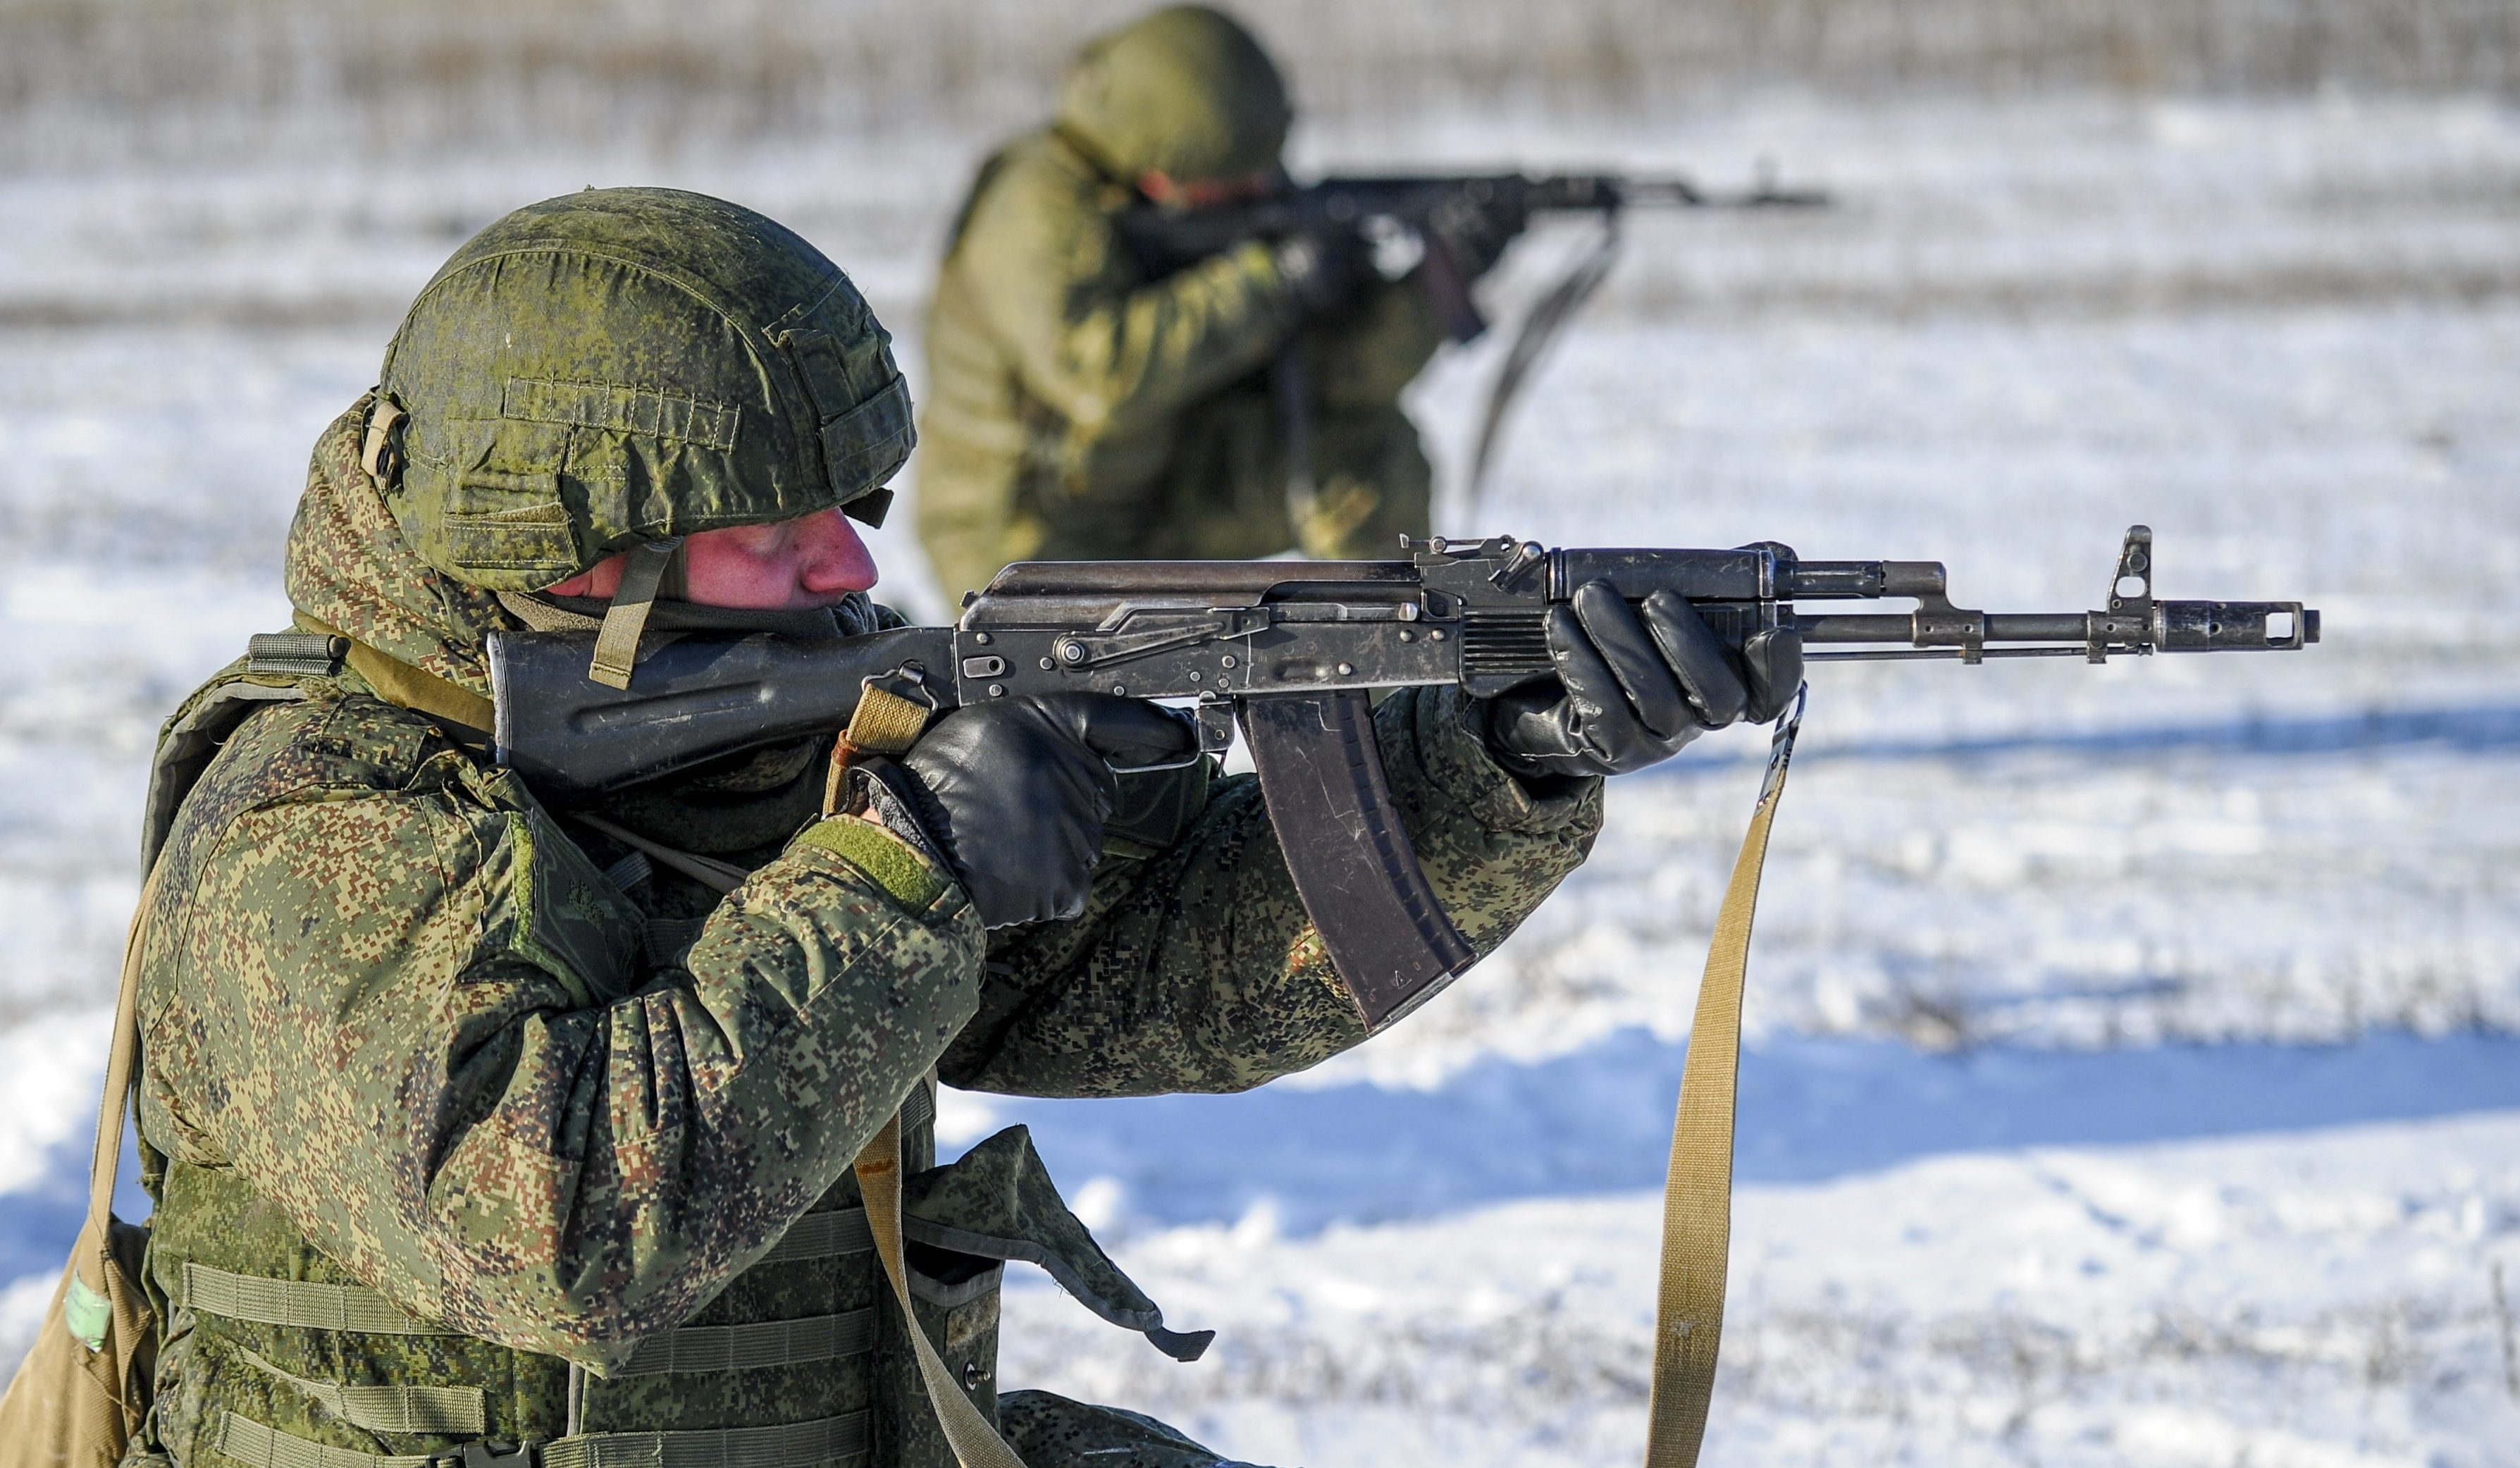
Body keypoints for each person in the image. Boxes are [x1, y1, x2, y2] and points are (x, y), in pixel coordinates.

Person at [123, 187, 1793, 1468]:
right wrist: (909, 868)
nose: (852, 572)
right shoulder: (309, 830)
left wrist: (1502, 754)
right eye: (775, 534)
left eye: (847, 513)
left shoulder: (749, 724)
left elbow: (1147, 974)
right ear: (579, 560)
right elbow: (557, 1232)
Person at [915, 4, 1523, 605]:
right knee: (1074, 706)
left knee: (1369, 454)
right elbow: (1099, 377)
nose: (1259, 191)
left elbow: (1340, 379)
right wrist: (1266, 281)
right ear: (1162, 169)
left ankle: (1396, 687)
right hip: (1030, 535)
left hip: (1169, 490)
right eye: (1233, 182)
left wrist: (1434, 286)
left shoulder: (1218, 203)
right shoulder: (1035, 206)